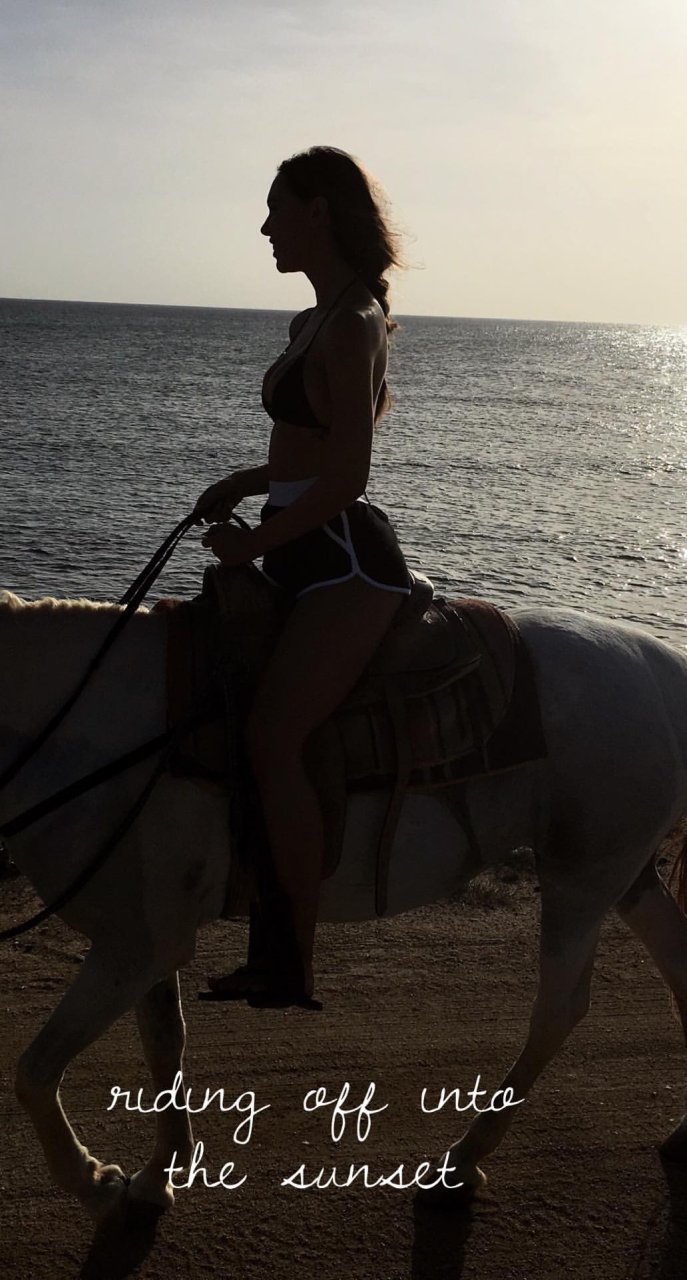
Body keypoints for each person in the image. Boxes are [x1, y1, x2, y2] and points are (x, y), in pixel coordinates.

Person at [193, 145, 413, 1007]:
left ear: (317, 211)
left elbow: (347, 477)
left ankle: (291, 960)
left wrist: (252, 543)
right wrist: (247, 481)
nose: (264, 228)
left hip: (343, 563)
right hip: (300, 545)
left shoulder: (354, 322)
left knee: (272, 738)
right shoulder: (311, 322)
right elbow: (306, 452)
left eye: (276, 209)